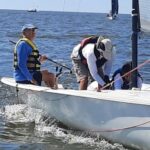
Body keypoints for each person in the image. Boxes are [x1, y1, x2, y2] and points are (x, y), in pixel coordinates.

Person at [13, 24, 57, 88]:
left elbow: (30, 64)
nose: (33, 32)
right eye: (31, 30)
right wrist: (31, 79)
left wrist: (40, 61)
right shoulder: (23, 45)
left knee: (46, 72)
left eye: (34, 30)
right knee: (51, 76)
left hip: (28, 74)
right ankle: (53, 94)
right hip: (23, 77)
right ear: (24, 33)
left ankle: (50, 91)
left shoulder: (27, 44)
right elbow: (21, 64)